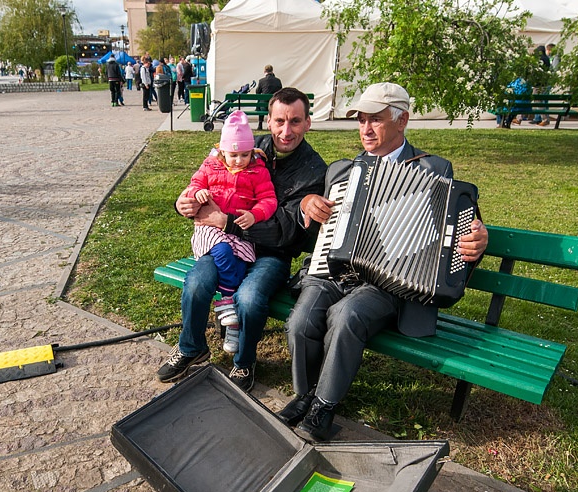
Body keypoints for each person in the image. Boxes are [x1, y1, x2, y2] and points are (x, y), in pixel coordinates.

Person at [279, 82, 488, 440]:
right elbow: (319, 222)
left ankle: (324, 407)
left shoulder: (435, 169)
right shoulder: (343, 172)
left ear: (402, 120)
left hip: (387, 283)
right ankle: (305, 394)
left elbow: (459, 226)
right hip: (334, 272)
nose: (365, 130)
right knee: (300, 320)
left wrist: (478, 238)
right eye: (361, 121)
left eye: (375, 120)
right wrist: (307, 205)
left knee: (345, 316)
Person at [157, 87, 327, 391]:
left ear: (308, 123)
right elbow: (206, 179)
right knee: (197, 282)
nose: (286, 131)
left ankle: (245, 362)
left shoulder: (313, 171)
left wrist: (229, 223)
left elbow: (287, 231)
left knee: (248, 299)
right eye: (279, 121)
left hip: (271, 254)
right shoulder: (249, 146)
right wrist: (184, 203)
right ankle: (192, 345)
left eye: (295, 122)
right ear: (269, 121)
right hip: (226, 246)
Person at [178, 110, 278, 354]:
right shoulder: (211, 166)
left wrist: (255, 214)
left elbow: (268, 199)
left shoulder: (258, 171)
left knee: (240, 260)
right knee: (221, 253)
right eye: (233, 155)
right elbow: (195, 185)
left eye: (244, 154)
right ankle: (227, 302)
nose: (238, 160)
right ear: (222, 151)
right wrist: (195, 194)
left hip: (238, 232)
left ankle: (231, 323)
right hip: (209, 230)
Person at [254, 65, 283, 131]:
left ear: (265, 71)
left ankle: (260, 124)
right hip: (274, 106)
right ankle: (272, 125)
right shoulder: (278, 80)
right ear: (272, 71)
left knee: (260, 100)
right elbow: (281, 92)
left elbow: (257, 92)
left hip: (263, 107)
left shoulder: (261, 81)